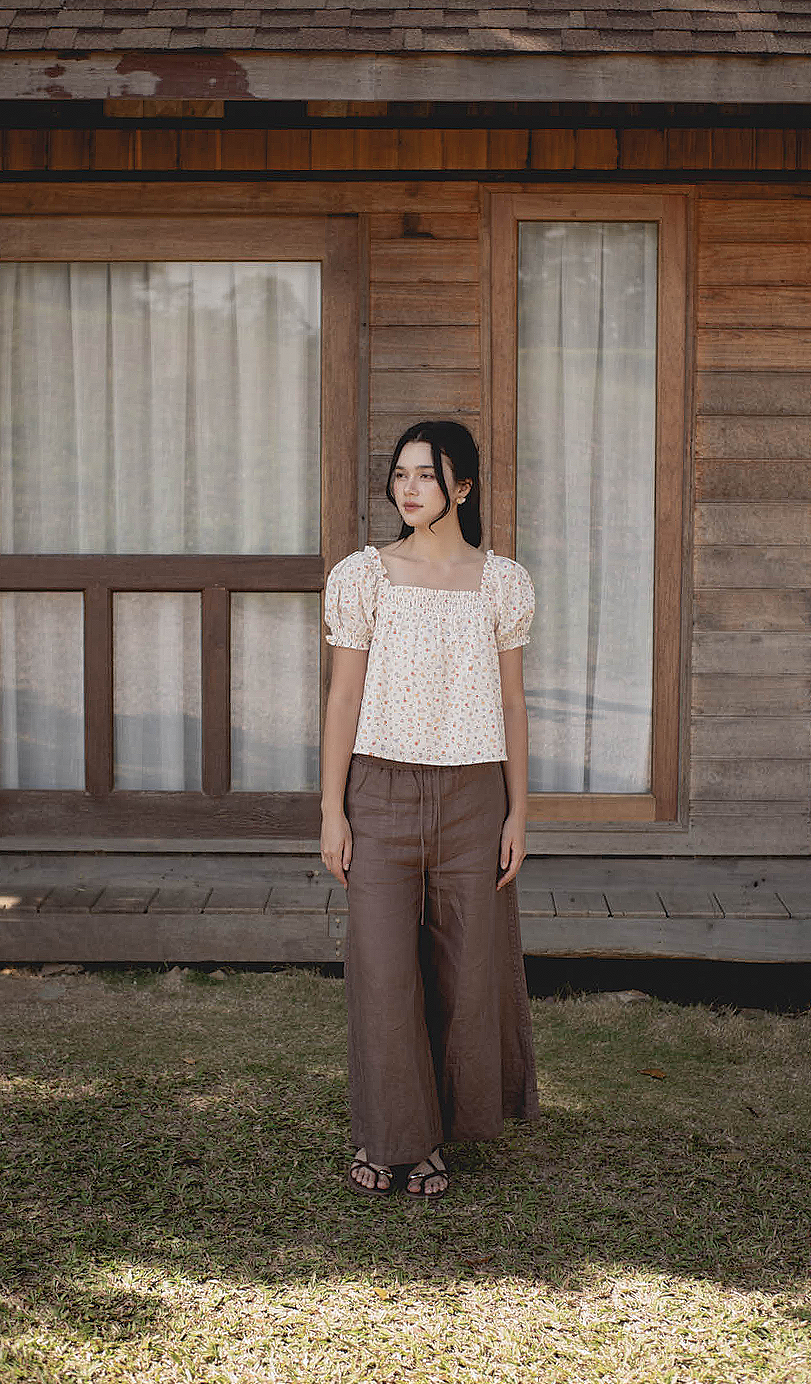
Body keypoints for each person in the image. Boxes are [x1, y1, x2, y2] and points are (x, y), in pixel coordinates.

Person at [321, 419, 538, 1199]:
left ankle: (438, 1136)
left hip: (475, 796)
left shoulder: (502, 582)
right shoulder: (363, 577)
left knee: (465, 972)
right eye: (401, 474)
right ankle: (391, 1139)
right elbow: (344, 695)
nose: (408, 489)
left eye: (427, 475)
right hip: (377, 791)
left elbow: (513, 704)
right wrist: (331, 809)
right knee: (382, 973)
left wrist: (519, 813)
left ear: (464, 488)